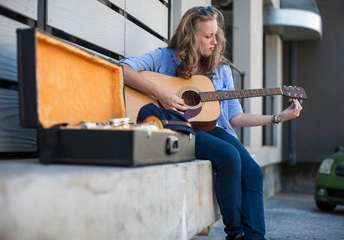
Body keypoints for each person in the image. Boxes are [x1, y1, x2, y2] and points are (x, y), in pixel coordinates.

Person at [120, 5, 302, 240]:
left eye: (216, 35)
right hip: (175, 128)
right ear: (190, 37)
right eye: (208, 36)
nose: (214, 41)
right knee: (227, 155)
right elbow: (123, 68)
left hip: (212, 129)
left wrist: (278, 117)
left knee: (254, 172)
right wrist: (161, 94)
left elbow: (235, 118)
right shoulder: (164, 58)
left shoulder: (221, 70)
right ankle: (235, 233)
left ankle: (256, 237)